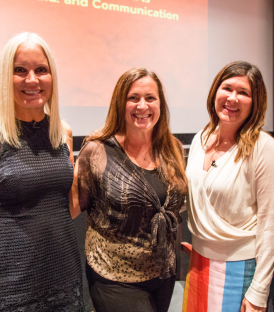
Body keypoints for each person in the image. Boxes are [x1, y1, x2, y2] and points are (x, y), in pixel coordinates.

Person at [0, 33, 84, 311]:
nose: (32, 80)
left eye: (41, 70)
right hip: (10, 283)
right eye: (19, 71)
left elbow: (64, 208)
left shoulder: (62, 133)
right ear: (6, 76)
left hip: (64, 276)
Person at [71, 68, 187, 312]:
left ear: (160, 104)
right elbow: (71, 208)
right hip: (115, 278)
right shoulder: (97, 151)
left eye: (150, 98)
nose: (142, 105)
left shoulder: (172, 149)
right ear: (119, 103)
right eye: (133, 98)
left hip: (163, 275)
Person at [183, 61, 274, 312]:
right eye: (227, 88)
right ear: (215, 92)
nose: (232, 98)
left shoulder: (263, 147)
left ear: (255, 102)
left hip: (239, 271)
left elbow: (270, 223)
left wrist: (259, 290)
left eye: (244, 93)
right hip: (197, 264)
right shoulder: (201, 138)